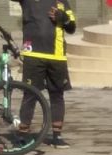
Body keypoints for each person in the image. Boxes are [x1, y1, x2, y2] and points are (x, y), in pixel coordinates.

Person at [17, 0, 76, 147]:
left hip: (57, 56)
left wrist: (63, 18)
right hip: (33, 54)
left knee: (57, 95)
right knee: (30, 95)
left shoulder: (62, 2)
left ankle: (57, 136)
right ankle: (22, 136)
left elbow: (72, 27)